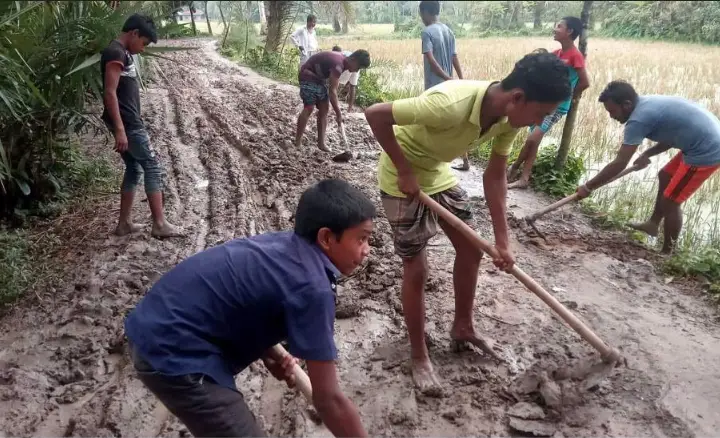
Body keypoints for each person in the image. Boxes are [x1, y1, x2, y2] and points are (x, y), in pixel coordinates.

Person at [364, 52, 570, 394]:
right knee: (416, 268)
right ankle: (418, 355)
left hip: (438, 174)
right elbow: (376, 115)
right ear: (518, 97)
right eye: (541, 114)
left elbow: (495, 176)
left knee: (473, 250)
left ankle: (462, 327)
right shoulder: (449, 104)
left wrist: (503, 240)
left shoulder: (507, 118)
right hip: (401, 178)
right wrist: (403, 169)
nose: (539, 122)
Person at [124, 178, 374, 437]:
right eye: (362, 239)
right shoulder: (314, 287)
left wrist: (268, 350)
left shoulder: (285, 246)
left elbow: (240, 298)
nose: (367, 250)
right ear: (326, 237)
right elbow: (329, 400)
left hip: (157, 320)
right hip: (173, 350)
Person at [576, 80, 720, 253]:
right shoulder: (646, 105)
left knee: (671, 201)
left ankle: (668, 253)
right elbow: (672, 135)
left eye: (612, 111)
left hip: (707, 150)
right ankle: (652, 224)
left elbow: (620, 163)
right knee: (665, 175)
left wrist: (588, 186)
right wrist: (647, 154)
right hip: (699, 141)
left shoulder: (638, 119)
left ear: (627, 105)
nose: (611, 116)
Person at [101, 13, 183, 238]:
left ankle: (124, 224)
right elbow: (109, 93)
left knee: (134, 167)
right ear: (134, 33)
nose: (143, 48)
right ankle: (159, 224)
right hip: (128, 124)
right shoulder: (116, 52)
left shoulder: (121, 52)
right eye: (144, 43)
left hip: (126, 122)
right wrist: (120, 129)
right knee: (152, 165)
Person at [506, 16, 590, 186]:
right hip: (543, 104)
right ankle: (524, 178)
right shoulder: (556, 54)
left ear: (569, 32)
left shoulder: (575, 56)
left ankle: (513, 169)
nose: (555, 29)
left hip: (557, 107)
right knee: (534, 141)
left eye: (559, 26)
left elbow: (585, 82)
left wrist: (569, 96)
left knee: (531, 139)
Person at [295, 50, 371, 152]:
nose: (356, 71)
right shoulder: (338, 64)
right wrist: (339, 114)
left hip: (319, 80)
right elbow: (332, 91)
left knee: (325, 108)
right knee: (309, 107)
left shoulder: (343, 63)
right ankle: (297, 141)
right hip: (307, 75)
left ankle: (321, 143)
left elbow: (333, 85)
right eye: (358, 67)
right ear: (353, 59)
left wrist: (337, 112)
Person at [332, 45, 361, 111]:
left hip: (348, 64)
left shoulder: (338, 56)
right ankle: (349, 109)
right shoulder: (347, 52)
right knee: (353, 86)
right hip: (357, 65)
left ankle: (333, 106)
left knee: (335, 83)